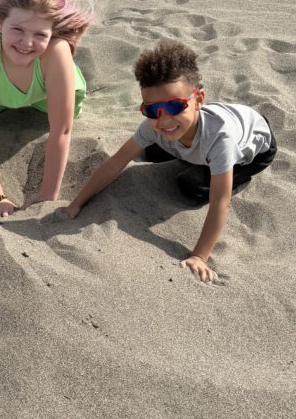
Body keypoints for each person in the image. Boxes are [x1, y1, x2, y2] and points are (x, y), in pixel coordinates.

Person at [63, 41, 277, 282]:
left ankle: (237, 176)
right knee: (149, 152)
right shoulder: (158, 125)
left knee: (191, 184)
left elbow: (220, 203)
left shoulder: (221, 140)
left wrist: (200, 256)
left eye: (175, 106)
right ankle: (193, 151)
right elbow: (116, 162)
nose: (164, 119)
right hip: (197, 134)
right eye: (152, 110)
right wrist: (77, 204)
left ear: (198, 99)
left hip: (257, 149)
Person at [0, 0, 93, 217]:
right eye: (18, 29)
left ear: (52, 33)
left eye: (40, 34)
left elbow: (61, 130)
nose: (27, 42)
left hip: (43, 83)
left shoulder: (56, 51)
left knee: (69, 109)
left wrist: (47, 196)